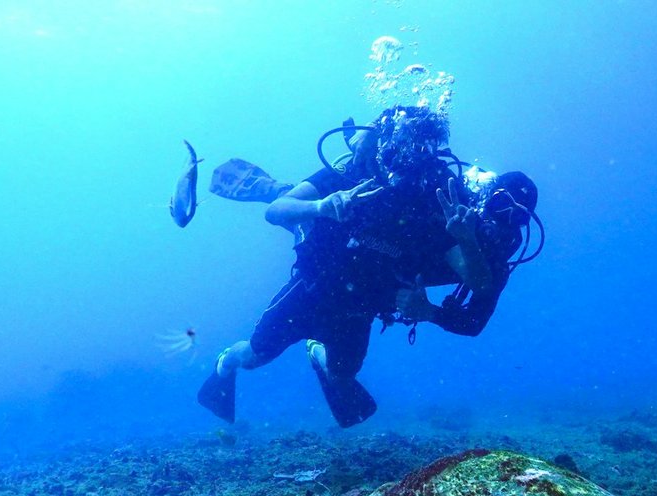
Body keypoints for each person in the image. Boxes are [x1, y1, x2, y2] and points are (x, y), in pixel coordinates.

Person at [197, 106, 539, 427]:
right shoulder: (356, 171)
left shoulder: (437, 205)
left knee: (341, 375)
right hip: (314, 287)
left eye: (424, 151)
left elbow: (476, 281)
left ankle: (317, 354)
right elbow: (275, 211)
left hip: (360, 309)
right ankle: (226, 363)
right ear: (390, 141)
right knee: (256, 355)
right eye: (406, 147)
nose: (411, 160)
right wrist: (321, 206)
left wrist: (464, 238)